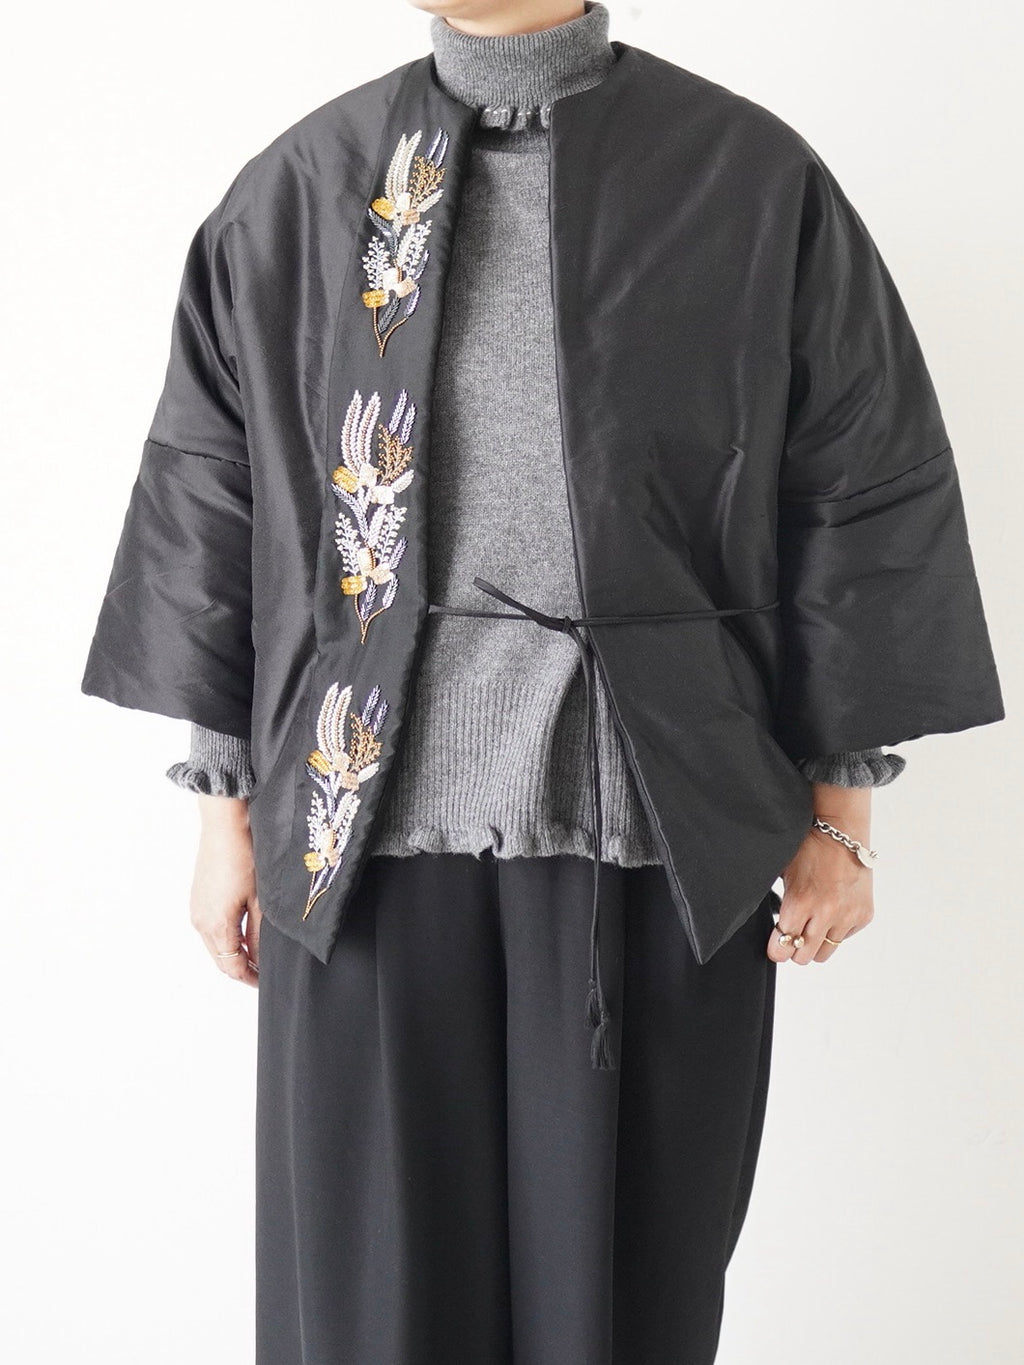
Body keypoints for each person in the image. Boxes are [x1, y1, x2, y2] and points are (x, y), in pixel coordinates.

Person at [80, 3, 1004, 1361]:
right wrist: (223, 812)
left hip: (651, 830)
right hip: (357, 842)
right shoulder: (305, 186)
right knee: (372, 1317)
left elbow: (854, 483)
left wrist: (841, 811)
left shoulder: (745, 179)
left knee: (614, 1313)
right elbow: (218, 499)